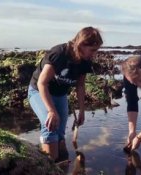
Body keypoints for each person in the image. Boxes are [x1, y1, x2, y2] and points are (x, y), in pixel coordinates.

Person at [28, 26, 103, 162]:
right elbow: (42, 83)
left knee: (60, 134)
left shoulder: (85, 61)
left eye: (96, 50)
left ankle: (59, 162)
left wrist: (81, 110)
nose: (94, 54)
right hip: (39, 91)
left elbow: (80, 86)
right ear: (81, 44)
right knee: (50, 126)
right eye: (92, 50)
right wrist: (51, 110)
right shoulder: (59, 53)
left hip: (60, 95)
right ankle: (49, 166)